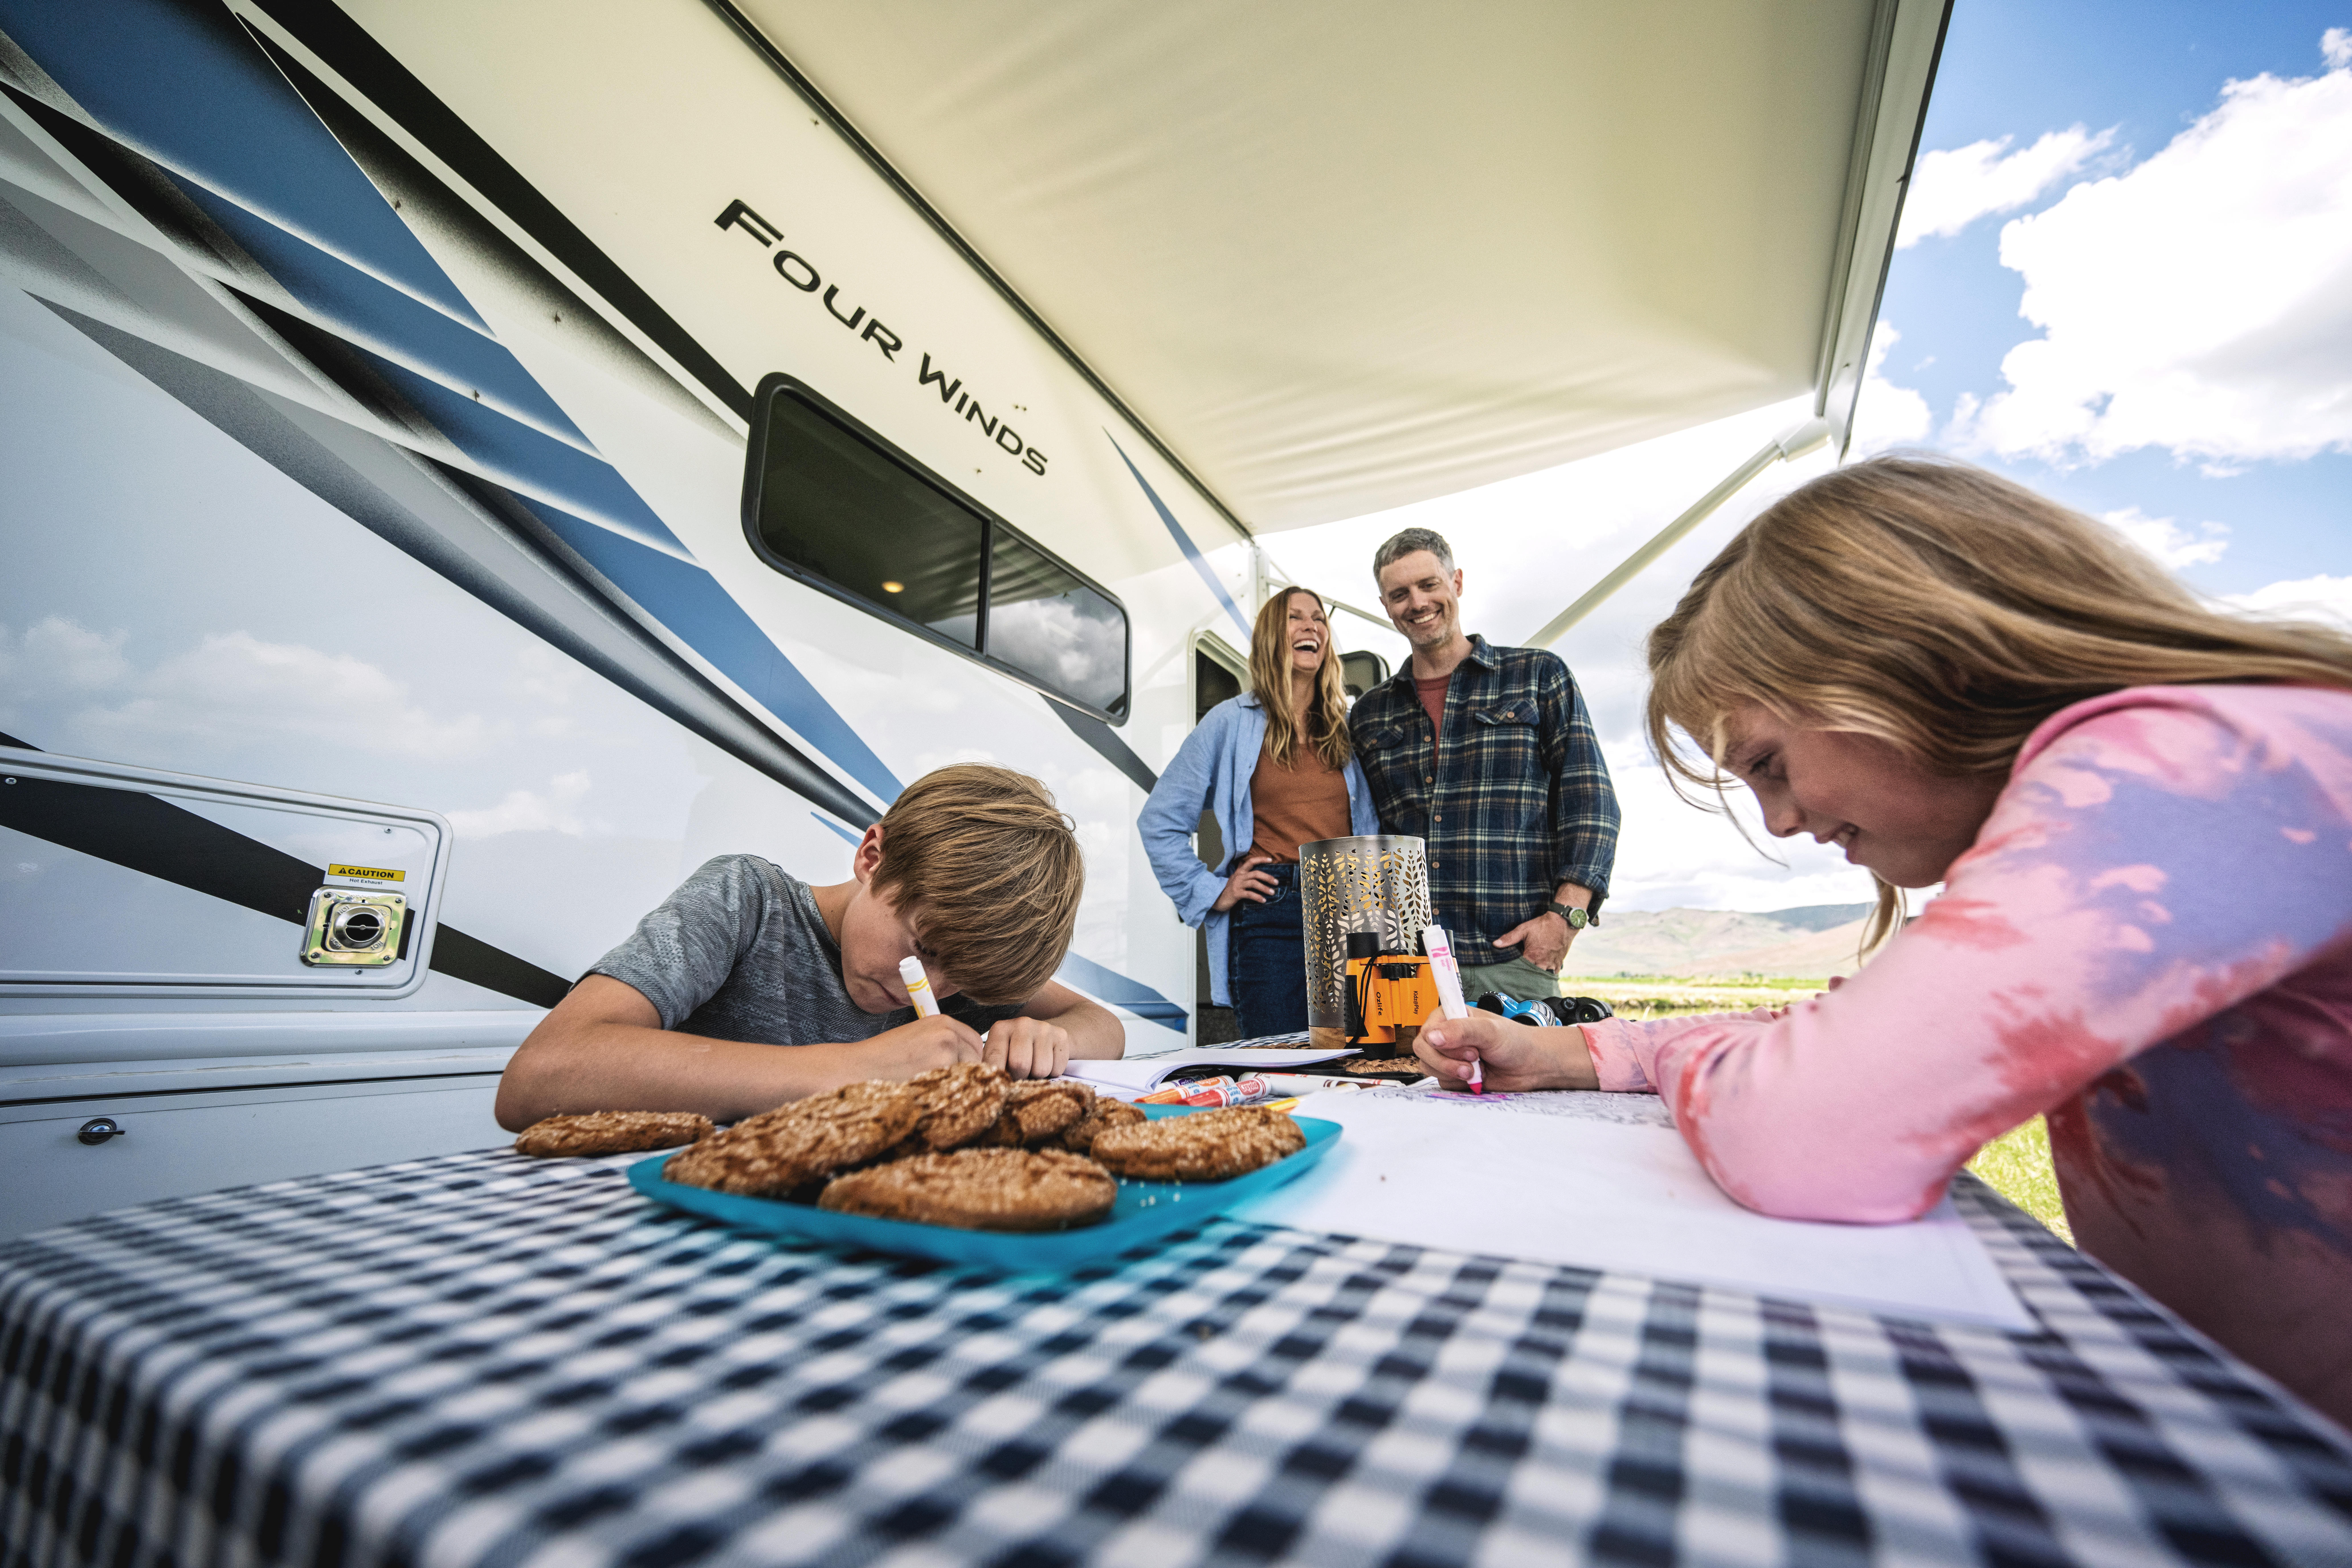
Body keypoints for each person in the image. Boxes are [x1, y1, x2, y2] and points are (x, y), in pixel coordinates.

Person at [1413, 455, 2352, 1432]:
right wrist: (1564, 1049)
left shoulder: (2183, 774)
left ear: (1917, 661)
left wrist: (1726, 1054)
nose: (1777, 822)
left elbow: (1806, 1126)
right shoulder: (2181, 769)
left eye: (1768, 763)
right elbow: (1850, 1032)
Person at [495, 764, 1123, 1128]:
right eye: (924, 949)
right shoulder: (747, 901)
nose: (935, 989)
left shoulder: (957, 965)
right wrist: (856, 1070)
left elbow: (1103, 1025)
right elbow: (539, 1075)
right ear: (873, 858)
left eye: (963, 983)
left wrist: (1049, 1039)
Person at [1349, 526, 1620, 1004]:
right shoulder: (1371, 713)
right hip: (1403, 968)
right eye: (1400, 594)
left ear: (1456, 582)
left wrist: (1565, 920)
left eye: (1429, 585)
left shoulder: (1538, 676)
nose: (1417, 603)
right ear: (1386, 606)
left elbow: (1592, 806)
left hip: (1512, 960)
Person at [1138, 587, 1380, 1036]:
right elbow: (1160, 821)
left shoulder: (1351, 727)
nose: (1312, 627)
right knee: (1278, 1064)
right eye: (1296, 618)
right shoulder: (1230, 722)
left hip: (1353, 906)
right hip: (1273, 911)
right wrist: (1212, 891)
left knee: (1359, 1059)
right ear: (1272, 635)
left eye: (1320, 619)